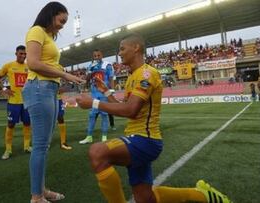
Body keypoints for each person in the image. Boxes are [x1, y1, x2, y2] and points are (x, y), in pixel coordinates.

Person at [76, 34, 232, 203]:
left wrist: (94, 103)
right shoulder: (132, 76)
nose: (119, 53)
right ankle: (202, 195)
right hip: (136, 138)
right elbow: (123, 107)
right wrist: (106, 92)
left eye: (122, 49)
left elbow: (131, 111)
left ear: (136, 48)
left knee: (97, 152)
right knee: (145, 198)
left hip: (145, 140)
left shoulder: (147, 74)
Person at [22, 2, 84, 203]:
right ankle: (36, 196)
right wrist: (64, 74)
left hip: (49, 90)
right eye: (61, 21)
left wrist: (61, 74)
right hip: (39, 88)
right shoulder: (36, 31)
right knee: (40, 145)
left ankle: (40, 189)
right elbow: (33, 63)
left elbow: (46, 63)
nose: (63, 25)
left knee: (44, 145)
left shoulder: (47, 36)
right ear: (50, 15)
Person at [0, 45, 32, 160]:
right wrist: (5, 89)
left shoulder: (29, 67)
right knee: (11, 125)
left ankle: (27, 146)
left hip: (27, 102)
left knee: (27, 124)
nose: (23, 56)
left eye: (25, 54)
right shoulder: (9, 66)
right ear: (16, 53)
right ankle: (8, 150)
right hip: (13, 102)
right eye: (21, 53)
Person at [79, 49, 114, 144]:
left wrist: (111, 90)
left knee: (104, 115)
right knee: (92, 115)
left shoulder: (107, 65)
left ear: (102, 55)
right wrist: (90, 70)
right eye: (95, 56)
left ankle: (104, 136)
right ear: (93, 57)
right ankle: (89, 136)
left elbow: (111, 78)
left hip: (104, 93)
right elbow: (87, 79)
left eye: (98, 55)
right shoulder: (91, 66)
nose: (97, 57)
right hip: (94, 94)